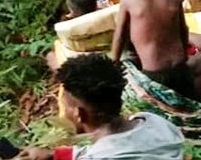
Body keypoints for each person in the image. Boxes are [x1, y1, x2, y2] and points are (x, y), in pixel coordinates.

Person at [17, 54, 184, 160]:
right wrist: (52, 155)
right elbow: (112, 149)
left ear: (78, 114)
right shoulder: (154, 122)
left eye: (65, 105)